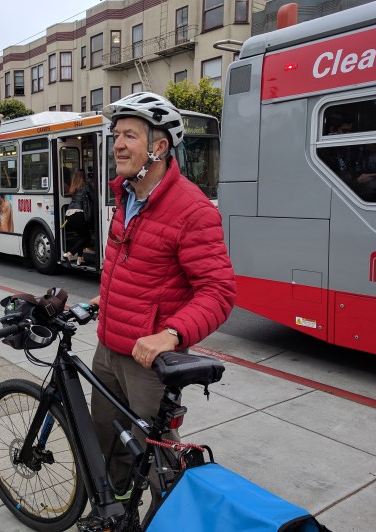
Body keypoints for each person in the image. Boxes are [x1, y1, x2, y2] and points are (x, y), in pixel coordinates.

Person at [88, 93, 236, 520]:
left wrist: (170, 334)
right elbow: (136, 268)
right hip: (108, 350)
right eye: (116, 135)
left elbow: (219, 291)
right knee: (109, 445)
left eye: (129, 135)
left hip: (148, 365)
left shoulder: (191, 209)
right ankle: (114, 517)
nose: (117, 144)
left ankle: (168, 522)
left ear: (159, 147)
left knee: (159, 463)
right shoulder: (127, 194)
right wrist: (106, 299)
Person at [63, 168, 93, 266]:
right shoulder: (85, 185)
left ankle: (80, 259)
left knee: (81, 236)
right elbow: (94, 197)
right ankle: (69, 253)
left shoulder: (73, 187)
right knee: (86, 237)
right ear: (83, 177)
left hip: (69, 214)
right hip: (78, 213)